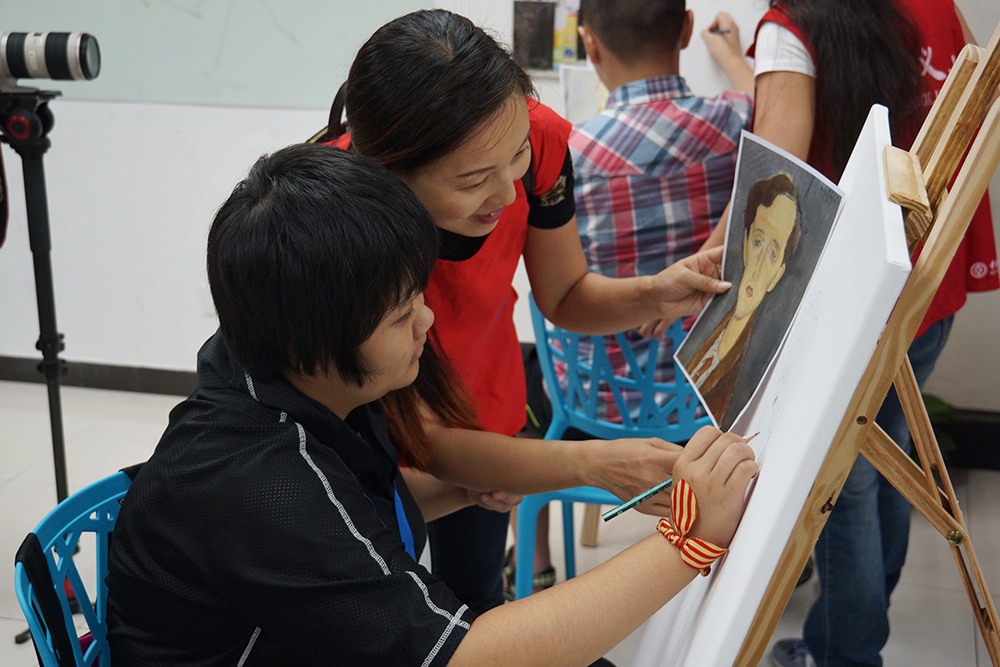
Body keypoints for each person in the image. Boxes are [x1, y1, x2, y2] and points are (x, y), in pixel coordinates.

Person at [105, 143, 758, 666]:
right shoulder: (263, 480)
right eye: (400, 315)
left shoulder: (277, 366)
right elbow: (462, 656)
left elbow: (348, 513)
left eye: (418, 296)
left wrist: (459, 490)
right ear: (312, 344)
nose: (426, 321)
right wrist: (688, 540)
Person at [319, 9, 733, 613]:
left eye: (515, 158)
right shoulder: (338, 212)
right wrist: (593, 463)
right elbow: (422, 440)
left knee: (476, 597)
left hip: (484, 407)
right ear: (390, 178)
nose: (509, 193)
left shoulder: (534, 139)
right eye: (473, 181)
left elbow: (564, 295)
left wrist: (654, 293)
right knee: (385, 602)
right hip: (379, 431)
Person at [703, 3, 999, 666]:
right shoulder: (932, 7)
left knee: (845, 483)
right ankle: (864, 620)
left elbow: (776, 176)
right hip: (926, 286)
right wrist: (735, 59)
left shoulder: (794, 25)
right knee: (888, 455)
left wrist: (706, 263)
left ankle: (845, 652)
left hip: (859, 302)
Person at [566, 0, 754, 424]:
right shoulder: (737, 120)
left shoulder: (569, 155)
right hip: (714, 400)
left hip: (598, 402)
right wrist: (731, 56)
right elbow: (765, 101)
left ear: (590, 44)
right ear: (686, 29)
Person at [686, 174, 800, 422]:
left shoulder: (752, 373)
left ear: (777, 275)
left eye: (772, 253)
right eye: (758, 241)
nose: (757, 268)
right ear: (746, 244)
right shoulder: (708, 329)